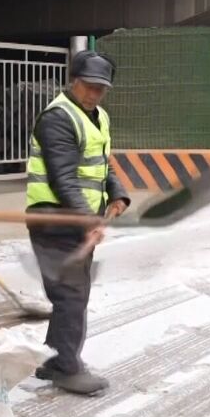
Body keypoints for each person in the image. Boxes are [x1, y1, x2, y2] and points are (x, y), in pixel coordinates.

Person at [25, 50, 130, 396]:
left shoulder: (98, 117)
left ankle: (57, 360)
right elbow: (62, 178)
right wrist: (88, 221)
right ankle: (67, 368)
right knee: (71, 294)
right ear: (74, 81)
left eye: (101, 89)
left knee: (72, 294)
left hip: (76, 221)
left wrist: (117, 193)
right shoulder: (58, 118)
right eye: (89, 86)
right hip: (53, 219)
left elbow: (102, 164)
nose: (94, 94)